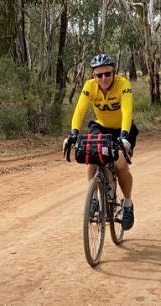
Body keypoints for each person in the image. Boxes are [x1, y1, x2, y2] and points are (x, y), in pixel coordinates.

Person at [64, 53, 138, 230]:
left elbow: (127, 112)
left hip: (123, 129)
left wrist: (125, 137)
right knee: (91, 156)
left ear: (114, 73)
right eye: (99, 75)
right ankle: (95, 199)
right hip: (101, 127)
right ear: (93, 76)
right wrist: (73, 133)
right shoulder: (90, 86)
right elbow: (80, 110)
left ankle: (127, 204)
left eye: (107, 74)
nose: (103, 78)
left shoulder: (123, 85)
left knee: (120, 165)